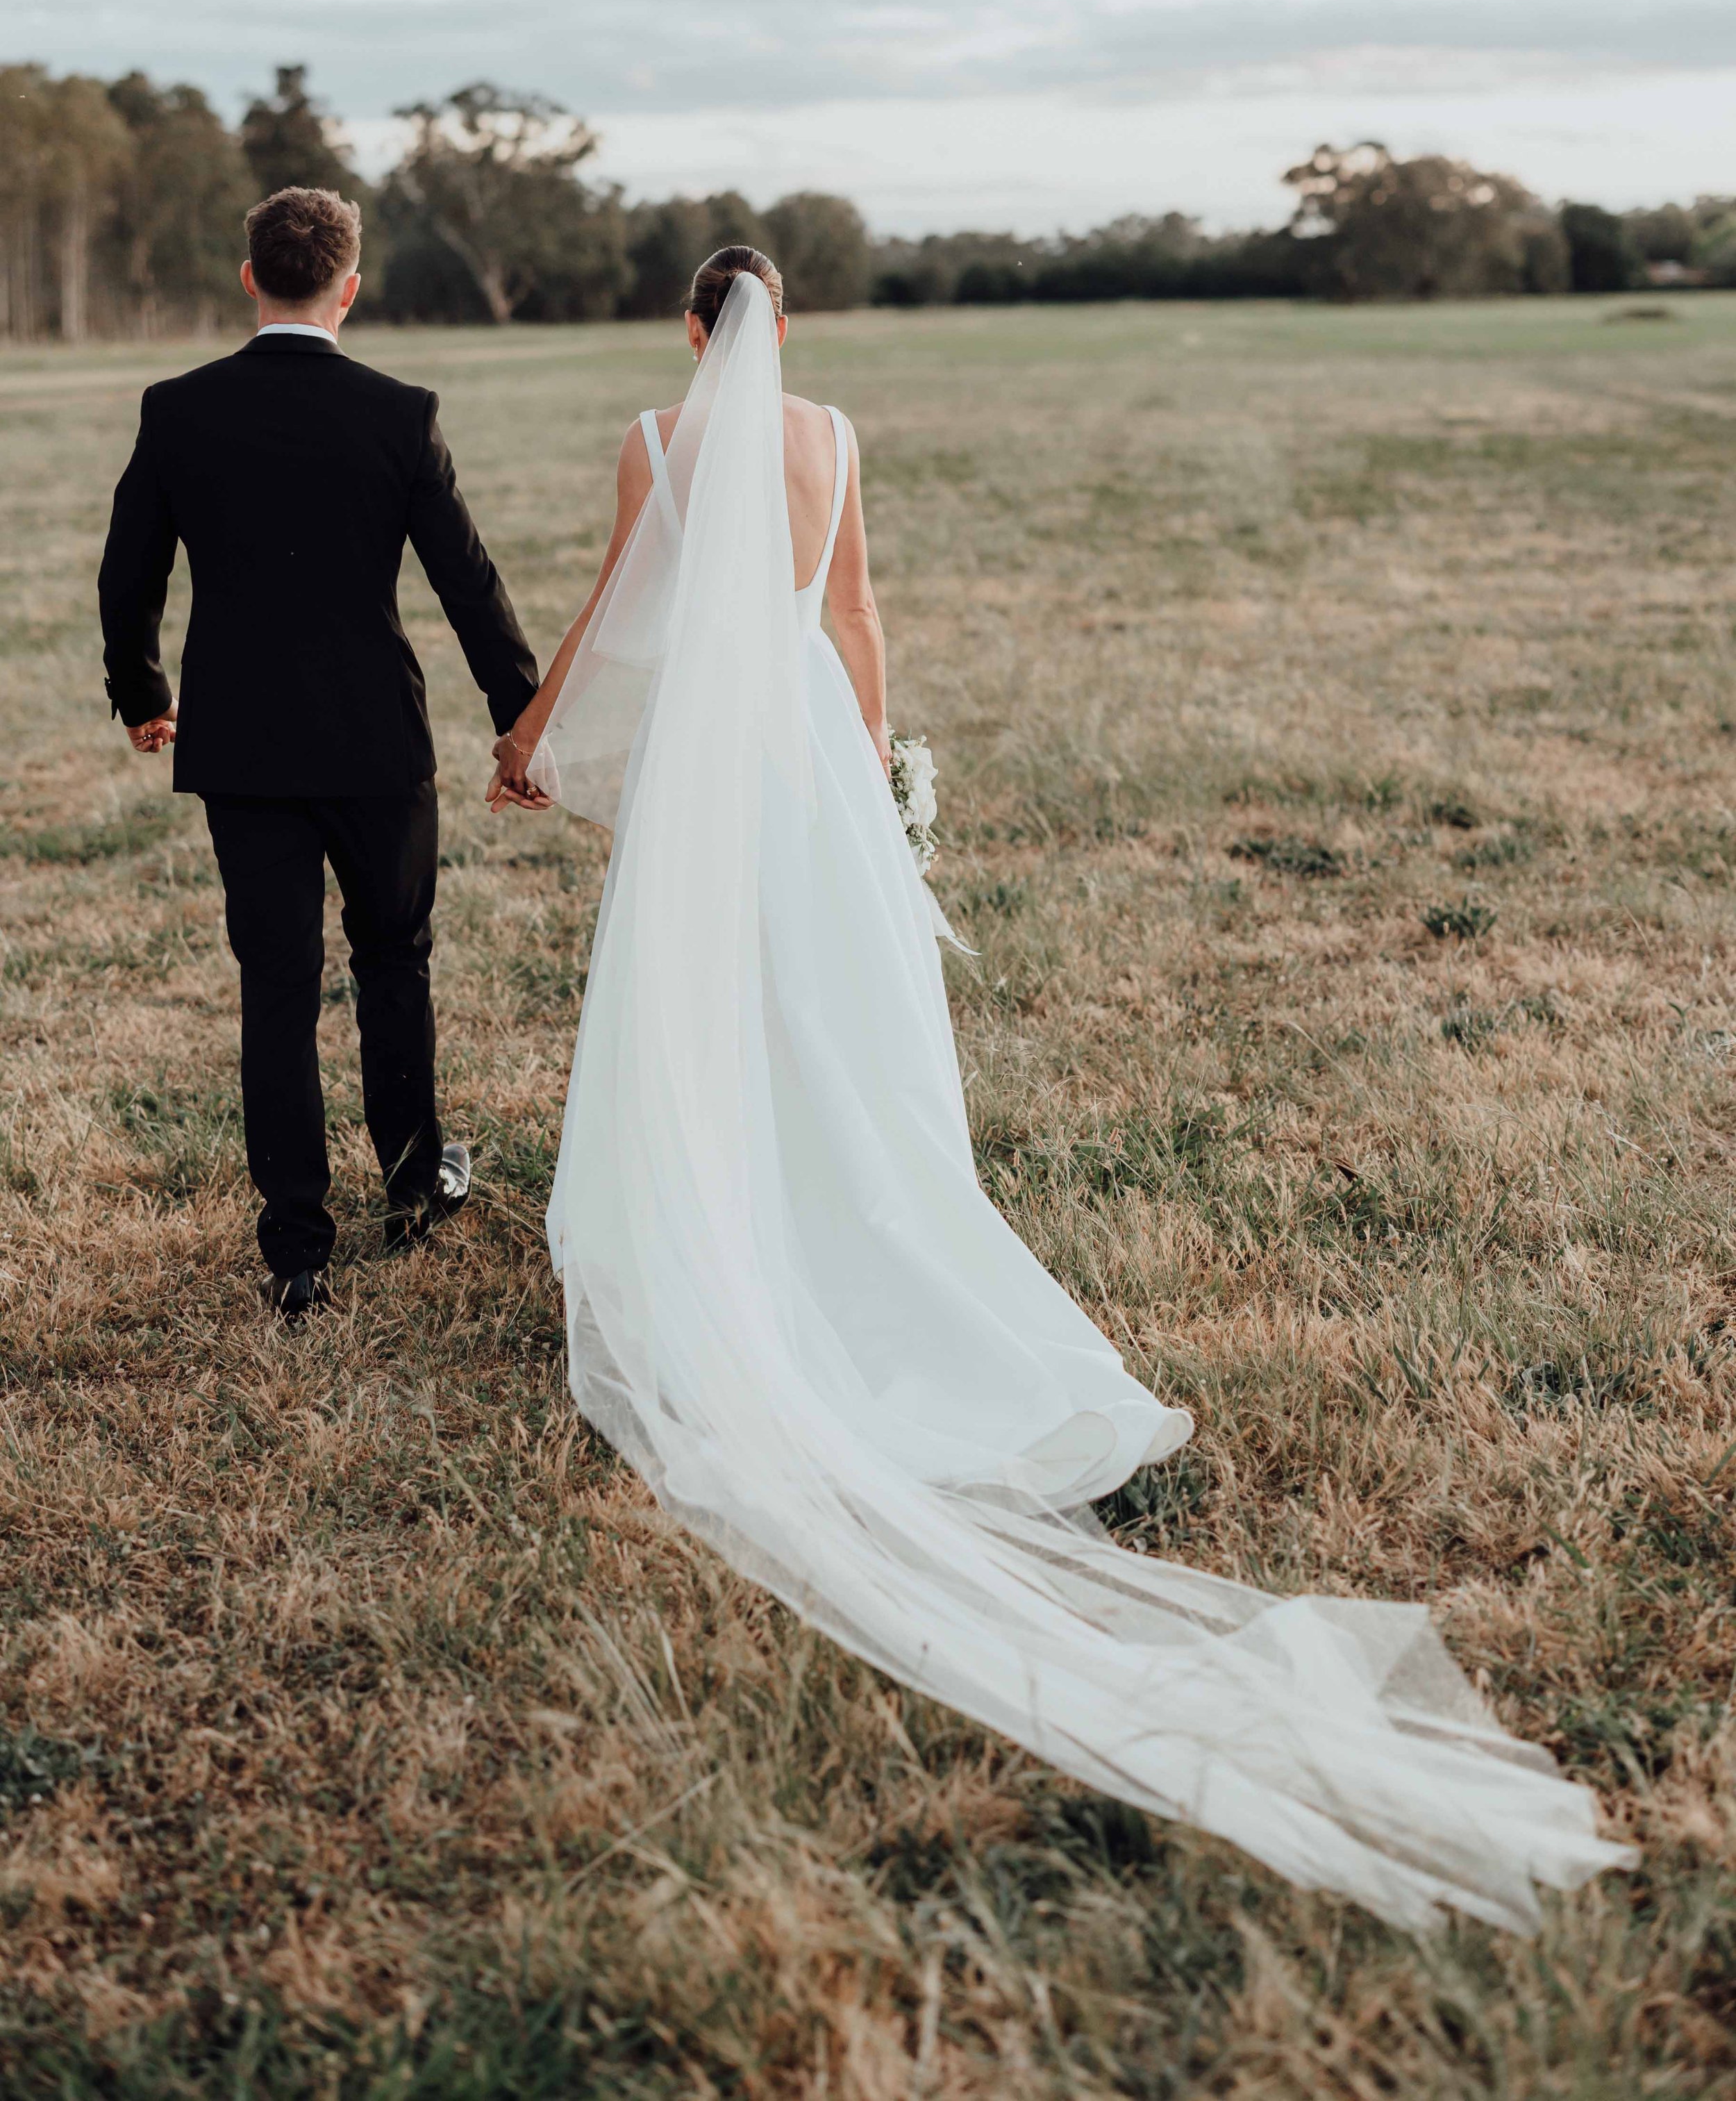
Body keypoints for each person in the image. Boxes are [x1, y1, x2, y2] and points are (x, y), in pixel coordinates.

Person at [494, 245, 1630, 1931]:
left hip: (707, 756)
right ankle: (832, 1211)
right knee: (830, 1010)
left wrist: (534, 725)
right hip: (802, 740)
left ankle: (710, 1221)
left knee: (700, 1005)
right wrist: (868, 774)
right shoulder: (838, 435)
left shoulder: (658, 440)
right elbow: (856, 613)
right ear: (783, 325)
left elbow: (621, 610)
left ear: (687, 330)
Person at [97, 185, 540, 1317]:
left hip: (243, 746)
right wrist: (520, 715)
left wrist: (145, 692)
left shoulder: (178, 408)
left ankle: (295, 1247)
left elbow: (126, 576)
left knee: (276, 987)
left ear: (251, 278)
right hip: (375, 743)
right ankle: (409, 1193)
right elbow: (468, 583)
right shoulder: (400, 413)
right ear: (350, 286)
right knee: (394, 960)